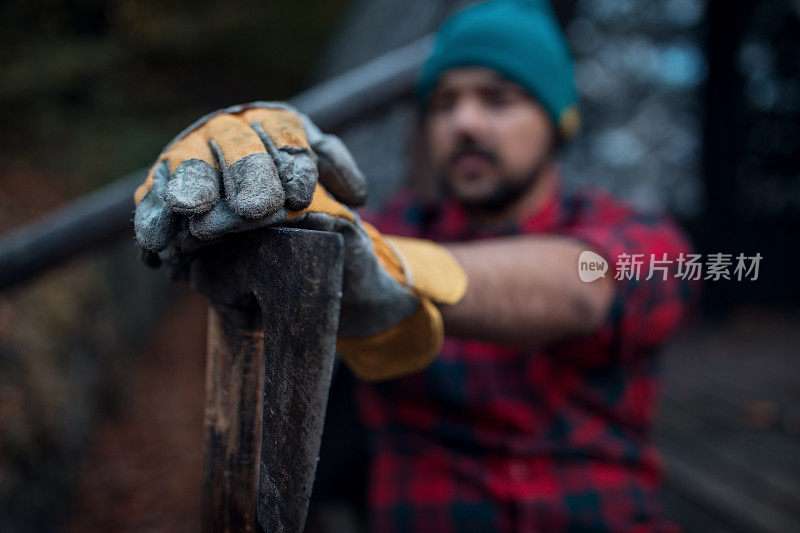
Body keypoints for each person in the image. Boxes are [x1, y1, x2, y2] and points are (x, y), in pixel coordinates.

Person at [133, 1, 696, 530]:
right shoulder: (382, 228)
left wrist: (400, 269)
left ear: (559, 121)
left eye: (497, 99)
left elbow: (584, 287)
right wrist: (246, 186)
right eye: (445, 103)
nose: (465, 122)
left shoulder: (639, 233)